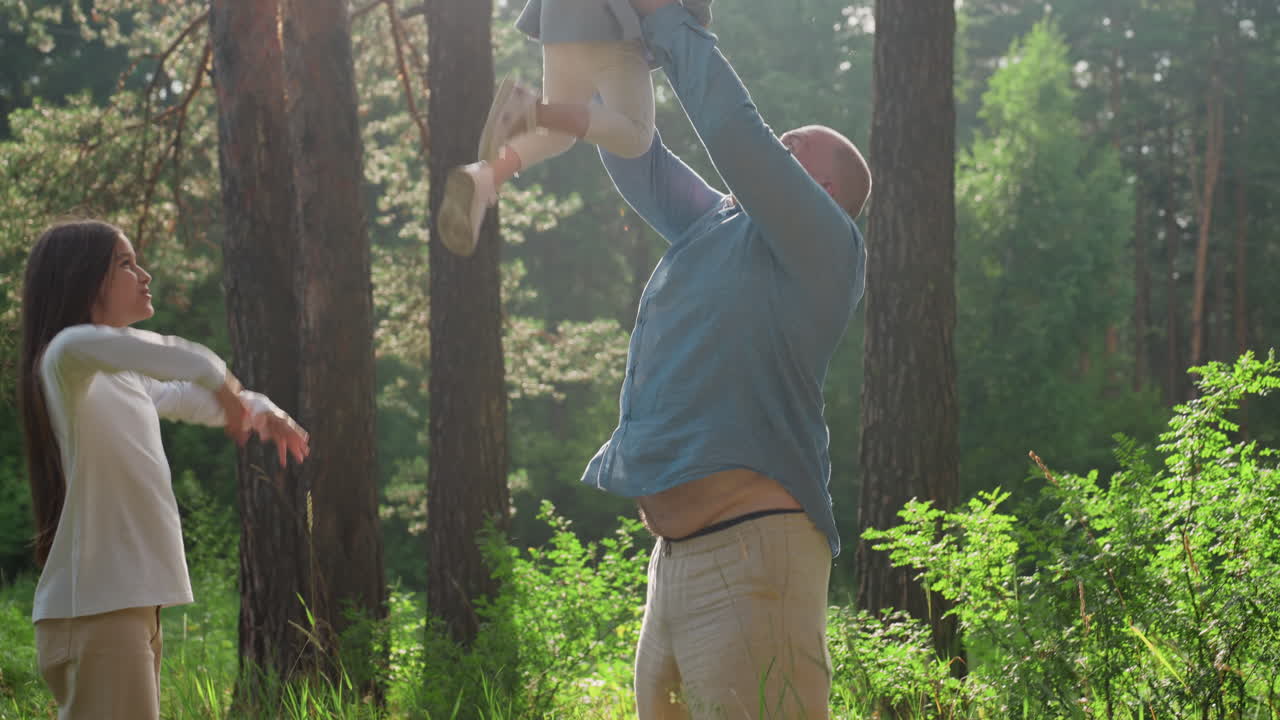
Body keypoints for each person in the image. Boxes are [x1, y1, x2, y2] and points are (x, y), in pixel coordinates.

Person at [576, 1, 872, 717]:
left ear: (822, 193)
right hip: (672, 567)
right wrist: (599, 57)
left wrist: (670, 22)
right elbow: (637, 160)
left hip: (755, 561)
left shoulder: (826, 248)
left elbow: (738, 136)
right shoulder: (716, 225)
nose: (777, 142)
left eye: (793, 145)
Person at [17, 220, 311, 719]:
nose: (144, 275)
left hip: (127, 608)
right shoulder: (65, 359)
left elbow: (195, 398)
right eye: (126, 264)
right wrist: (224, 382)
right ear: (81, 278)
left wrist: (260, 409)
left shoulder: (124, 379)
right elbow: (182, 361)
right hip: (98, 610)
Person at [436, 0, 712, 256]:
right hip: (608, 20)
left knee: (558, 133)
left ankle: (483, 177)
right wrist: (698, 13)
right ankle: (533, 109)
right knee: (638, 136)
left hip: (558, 17)